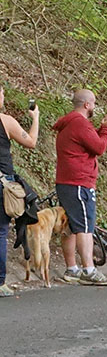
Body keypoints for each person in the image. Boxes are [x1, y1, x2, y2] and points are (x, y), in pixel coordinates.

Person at [54, 89, 107, 286]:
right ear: (86, 105)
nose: (94, 107)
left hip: (66, 181)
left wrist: (102, 128)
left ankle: (72, 268)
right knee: (84, 226)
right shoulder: (80, 123)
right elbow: (100, 147)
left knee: (70, 226)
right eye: (93, 104)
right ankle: (89, 270)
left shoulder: (70, 123)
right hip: (79, 182)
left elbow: (92, 144)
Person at [0, 86, 39, 297]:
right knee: (0, 232)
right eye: (2, 93)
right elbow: (30, 142)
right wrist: (35, 118)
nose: (3, 97)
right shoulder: (6, 121)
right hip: (2, 184)